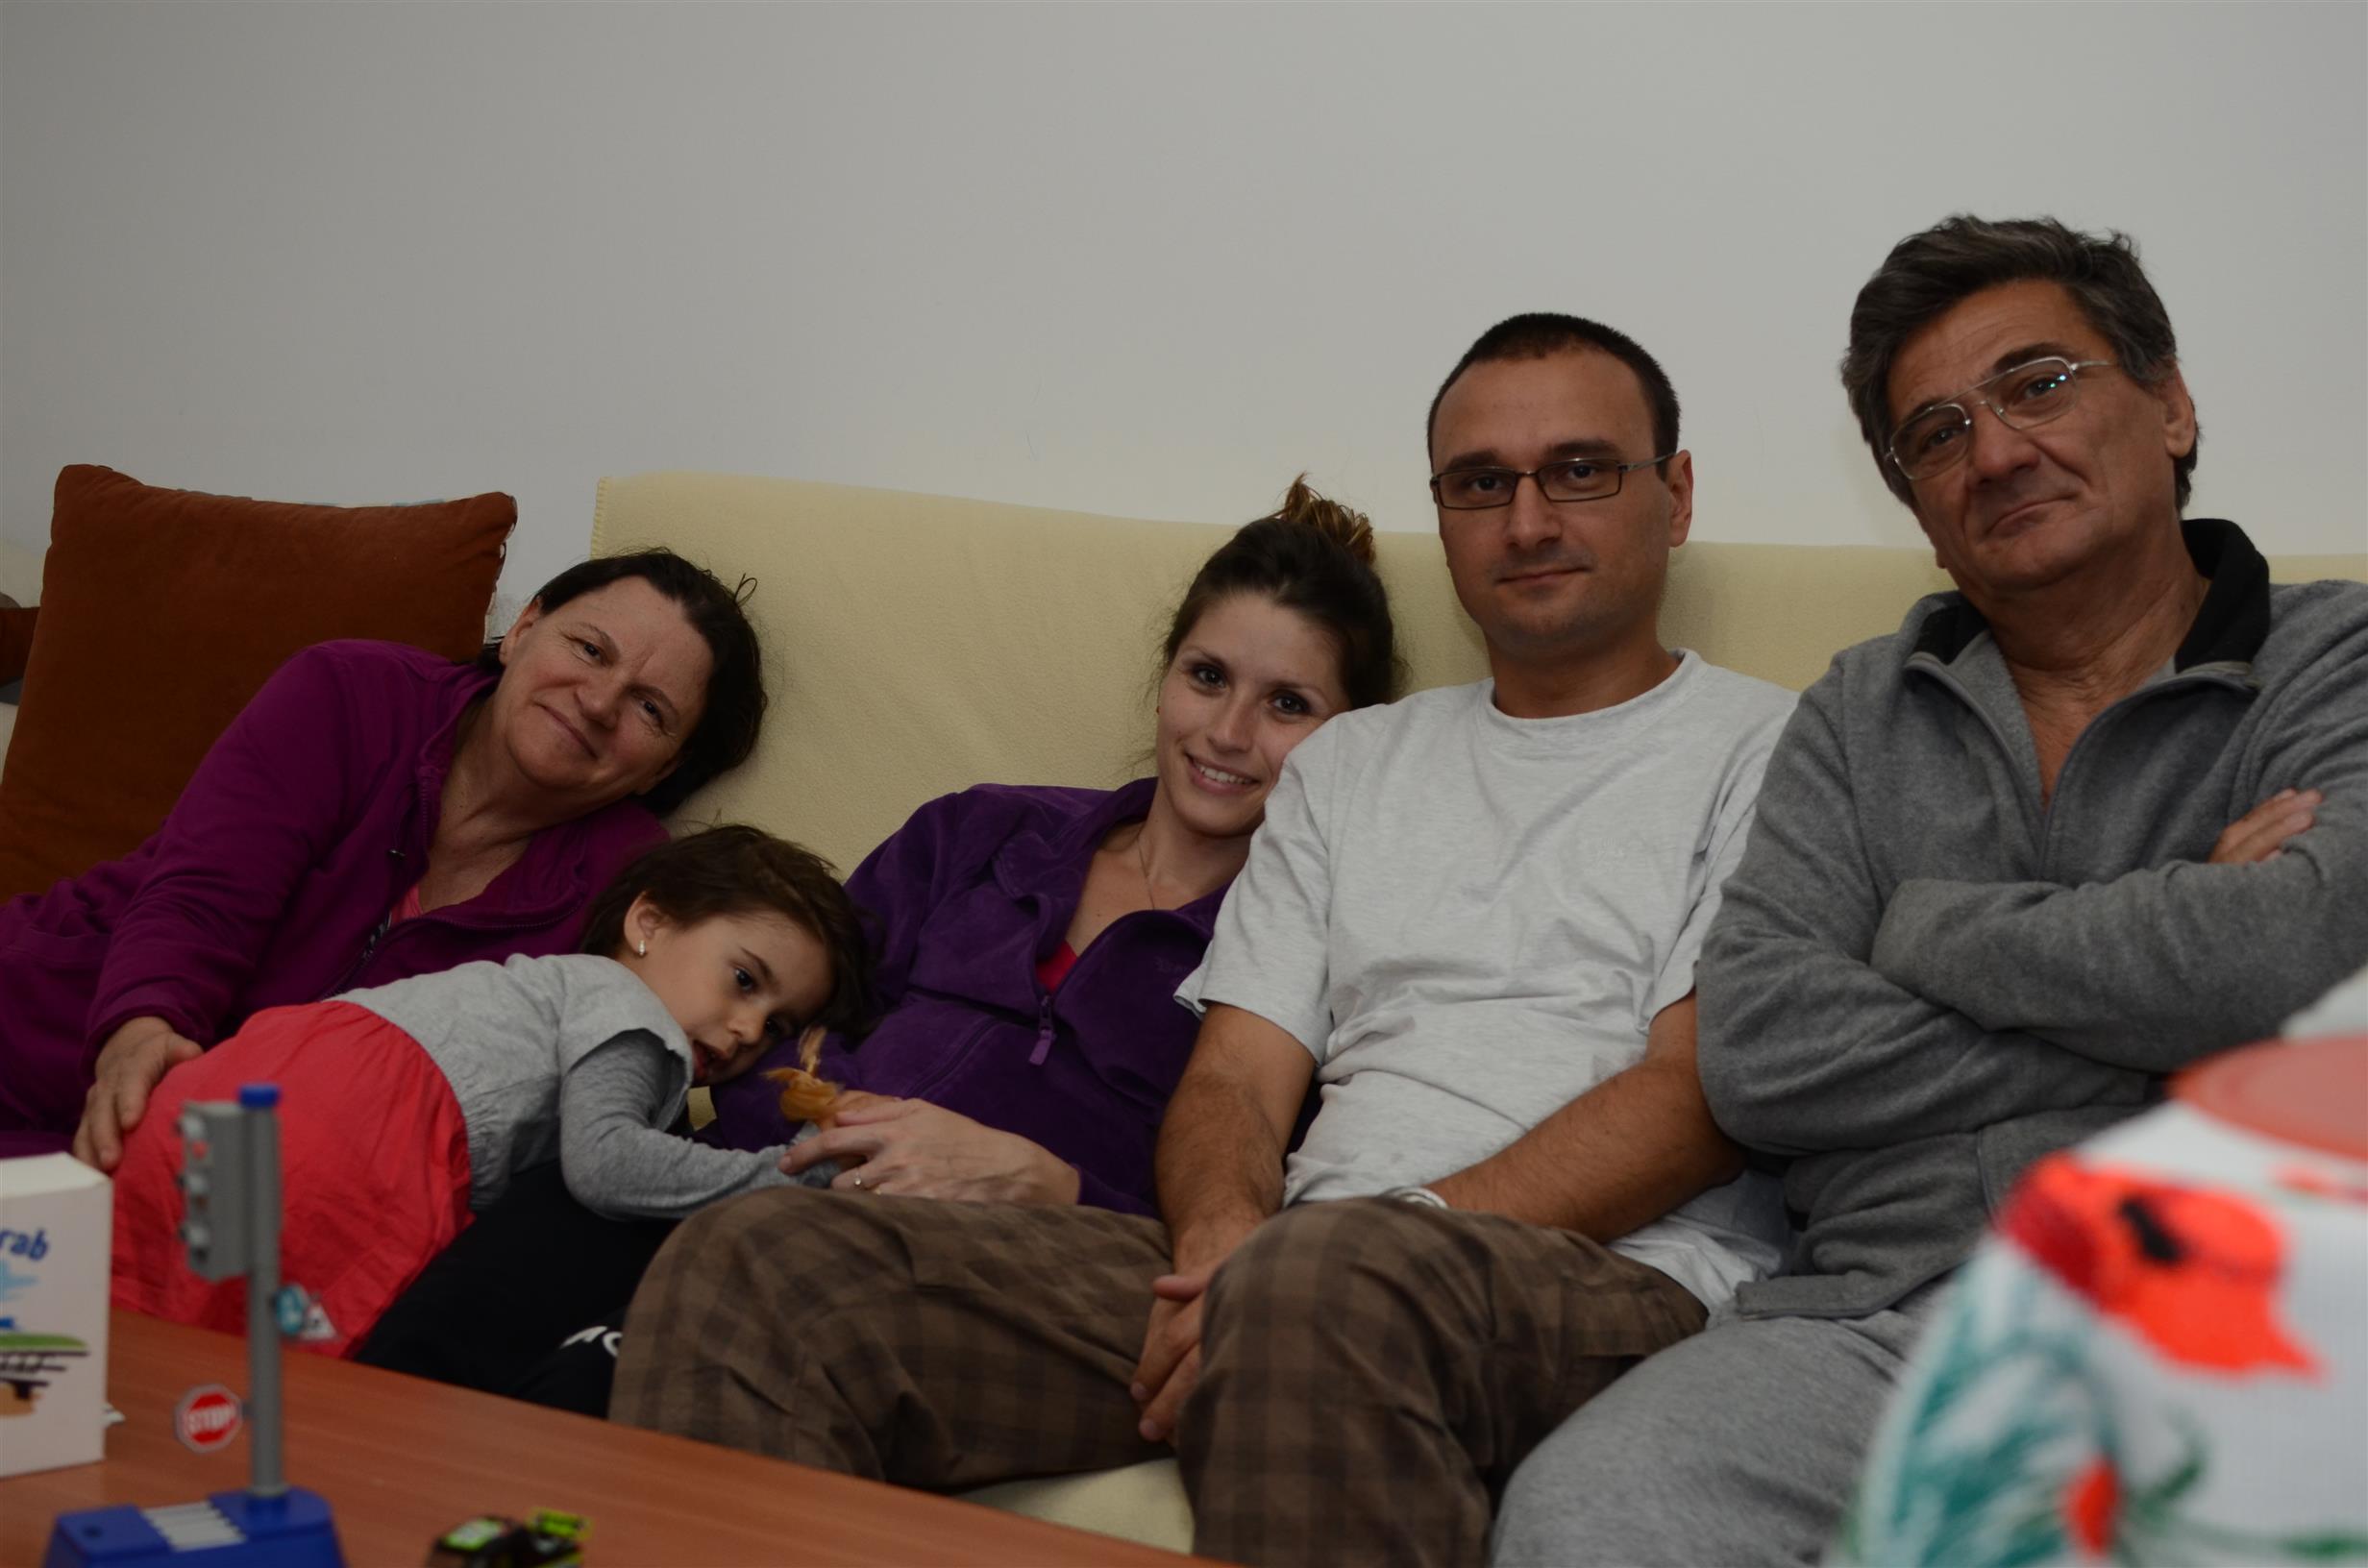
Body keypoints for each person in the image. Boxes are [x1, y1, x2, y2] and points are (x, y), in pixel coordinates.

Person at [609, 314, 1796, 1568]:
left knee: (1322, 1297)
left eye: (1580, 471)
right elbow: (1234, 1077)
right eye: (1479, 483)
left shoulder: (1780, 750)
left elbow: (1695, 1097)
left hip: (1609, 1278)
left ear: (1674, 494)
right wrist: (1226, 1252)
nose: (1528, 519)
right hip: (1298, 1273)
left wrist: (1348, 1249)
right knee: (764, 1267)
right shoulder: (1353, 763)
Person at [1491, 216, 2368, 1567]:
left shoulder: (2336, 657)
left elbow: (2297, 958)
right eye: (1938, 433)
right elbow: (1762, 1053)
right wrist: (2177, 987)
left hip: (2251, 1303)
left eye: (2039, 385)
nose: (1997, 452)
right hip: (1876, 1327)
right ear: (1915, 505)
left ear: (2171, 405)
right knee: (1590, 1514)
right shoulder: (1857, 711)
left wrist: (1929, 927)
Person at [349, 478, 1402, 1409]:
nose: (1227, 733)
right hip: (763, 1184)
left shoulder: (1302, 960)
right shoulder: (984, 831)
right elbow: (779, 1016)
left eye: (1288, 704)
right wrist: (818, 1137)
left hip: (971, 1270)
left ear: (1351, 739)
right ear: (1165, 677)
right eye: (1208, 677)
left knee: (595, 1382)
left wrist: (1052, 1184)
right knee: (451, 1323)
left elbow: (1247, 1206)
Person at [0, 548, 766, 1166]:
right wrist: (142, 1030)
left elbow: (631, 1074)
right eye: (590, 649)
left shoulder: (630, 890)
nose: (598, 702)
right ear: (524, 628)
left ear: (666, 767)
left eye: (649, 708)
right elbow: (203, 897)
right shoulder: (351, 690)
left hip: (219, 1175)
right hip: (46, 1028)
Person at [111, 824, 871, 1358]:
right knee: (293, 1399)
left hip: (245, 1080)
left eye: (777, 1026)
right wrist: (790, 1177)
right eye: (743, 979)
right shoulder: (635, 1016)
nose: (747, 1030)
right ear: (649, 922)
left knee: (136, 1352)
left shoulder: (547, 989)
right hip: (353, 1140)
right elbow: (610, 1164)